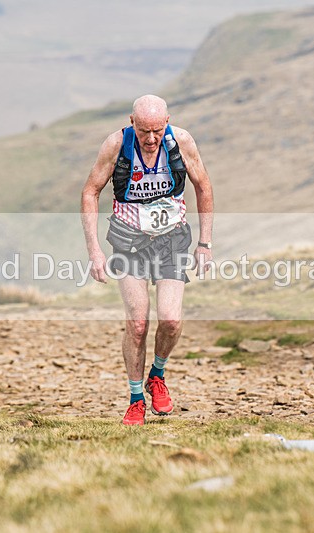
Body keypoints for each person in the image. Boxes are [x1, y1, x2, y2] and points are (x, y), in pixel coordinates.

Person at [81, 94, 214, 425]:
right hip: (129, 242)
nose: (151, 139)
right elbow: (90, 192)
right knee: (138, 324)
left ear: (167, 122)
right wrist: (94, 250)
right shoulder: (115, 145)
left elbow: (204, 186)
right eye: (143, 131)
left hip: (171, 241)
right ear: (132, 123)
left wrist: (205, 243)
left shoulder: (181, 142)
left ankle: (158, 374)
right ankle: (136, 398)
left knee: (170, 320)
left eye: (157, 131)